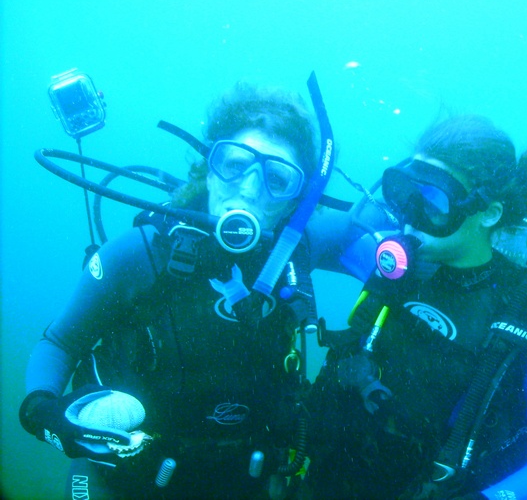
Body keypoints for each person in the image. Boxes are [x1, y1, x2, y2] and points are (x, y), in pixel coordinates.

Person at [19, 82, 322, 499]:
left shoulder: (298, 252)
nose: (249, 188)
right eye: (234, 163)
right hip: (124, 476)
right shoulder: (140, 253)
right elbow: (60, 341)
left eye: (277, 177)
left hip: (243, 479)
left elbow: (376, 236)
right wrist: (44, 412)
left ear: (297, 201)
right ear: (208, 167)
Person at [303, 114, 527, 500]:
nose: (411, 216)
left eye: (433, 200)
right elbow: (288, 242)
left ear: (489, 212)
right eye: (406, 193)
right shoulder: (385, 259)